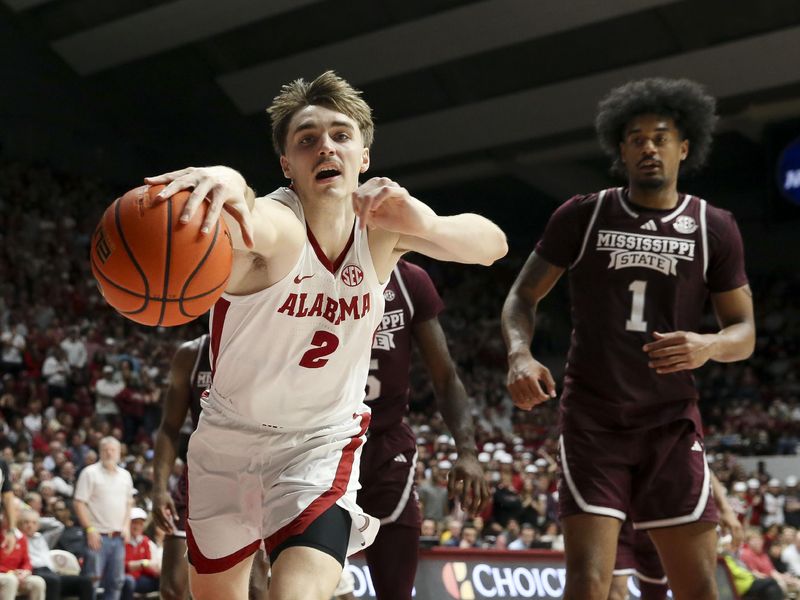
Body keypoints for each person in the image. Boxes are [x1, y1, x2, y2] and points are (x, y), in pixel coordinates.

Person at [144, 70, 506, 600]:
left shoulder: (381, 229)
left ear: (363, 157)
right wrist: (226, 178)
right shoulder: (279, 225)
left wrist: (425, 222)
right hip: (226, 446)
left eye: (340, 135)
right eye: (307, 140)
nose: (325, 147)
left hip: (317, 446)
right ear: (287, 164)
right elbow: (250, 212)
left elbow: (491, 245)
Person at [502, 77, 755, 600]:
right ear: (621, 149)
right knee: (591, 583)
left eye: (661, 137)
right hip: (594, 420)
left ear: (684, 148)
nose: (648, 147)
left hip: (670, 420)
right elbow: (521, 298)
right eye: (636, 138)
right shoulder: (584, 214)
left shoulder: (715, 227)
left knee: (700, 587)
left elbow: (745, 332)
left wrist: (708, 345)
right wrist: (520, 355)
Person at [356, 259, 488, 599]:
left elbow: (445, 376)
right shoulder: (317, 264)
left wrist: (468, 451)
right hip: (321, 440)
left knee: (396, 588)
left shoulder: (410, 279)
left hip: (385, 445)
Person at [152, 335, 268, 600]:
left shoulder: (264, 345)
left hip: (250, 479)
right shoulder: (192, 354)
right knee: (172, 589)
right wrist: (159, 488)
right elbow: (169, 428)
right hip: (199, 478)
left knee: (255, 587)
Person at [608, 471, 744, 600]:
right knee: (615, 592)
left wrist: (726, 510)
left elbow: (703, 464)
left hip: (659, 518)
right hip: (621, 519)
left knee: (657, 594)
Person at [73, 436, 134, 600]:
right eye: (105, 450)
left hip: (118, 536)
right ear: (100, 452)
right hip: (97, 536)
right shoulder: (89, 473)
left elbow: (129, 503)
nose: (109, 453)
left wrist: (127, 526)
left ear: (119, 452)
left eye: (113, 450)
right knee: (91, 581)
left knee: (116, 582)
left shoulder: (126, 475)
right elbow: (79, 503)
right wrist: (90, 529)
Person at [18, 509, 95, 600]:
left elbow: (58, 526)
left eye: (34, 523)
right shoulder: (17, 538)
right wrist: (29, 519)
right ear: (19, 524)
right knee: (53, 581)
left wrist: (37, 519)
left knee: (85, 581)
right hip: (34, 572)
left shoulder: (42, 538)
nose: (30, 525)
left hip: (50, 572)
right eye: (26, 522)